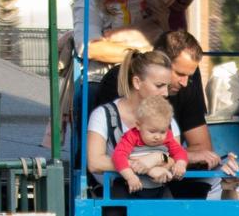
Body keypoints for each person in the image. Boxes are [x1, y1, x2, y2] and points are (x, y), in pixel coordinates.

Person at [88, 28, 221, 172]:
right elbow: (109, 156)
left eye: (190, 76)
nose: (185, 82)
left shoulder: (182, 92)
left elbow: (200, 150)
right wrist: (157, 160)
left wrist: (162, 159)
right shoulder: (114, 88)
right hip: (119, 181)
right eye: (179, 73)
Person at [109, 94, 189, 200]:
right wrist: (130, 177)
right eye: (152, 131)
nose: (157, 136)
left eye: (162, 131)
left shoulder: (167, 136)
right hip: (132, 186)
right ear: (138, 125)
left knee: (170, 209)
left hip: (159, 187)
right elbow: (118, 156)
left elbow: (180, 152)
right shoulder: (131, 136)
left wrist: (180, 164)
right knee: (117, 211)